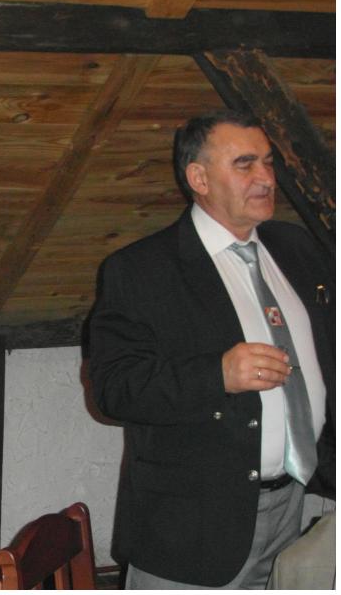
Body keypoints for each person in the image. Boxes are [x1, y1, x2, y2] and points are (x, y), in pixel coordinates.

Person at [89, 110, 334, 589]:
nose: (266, 178)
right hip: (194, 529)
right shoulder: (141, 269)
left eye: (268, 162)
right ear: (198, 178)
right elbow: (114, 389)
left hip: (296, 503)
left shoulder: (296, 247)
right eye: (245, 164)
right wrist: (217, 374)